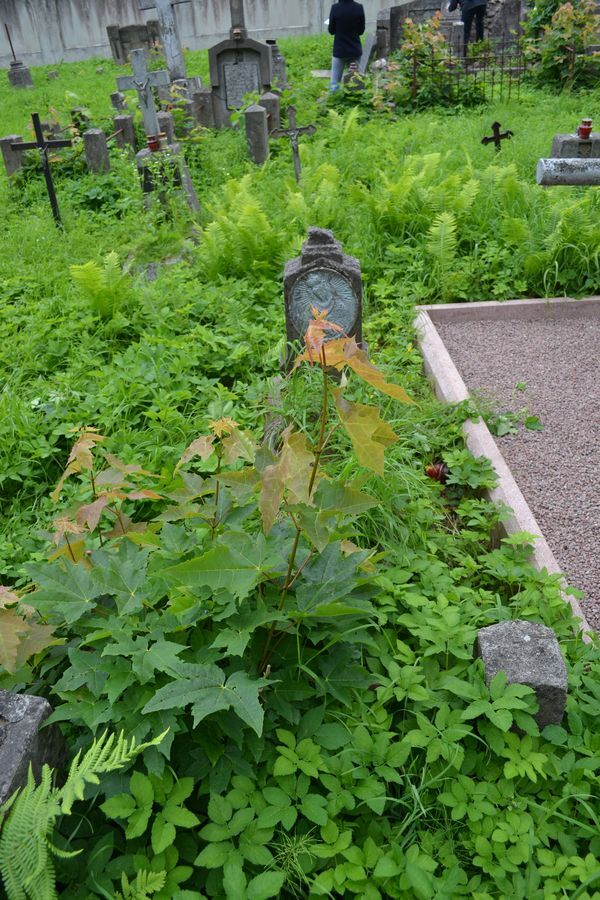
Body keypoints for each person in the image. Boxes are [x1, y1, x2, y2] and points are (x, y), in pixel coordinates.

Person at [328, 0, 366, 92]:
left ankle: (334, 102)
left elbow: (331, 31)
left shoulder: (335, 8)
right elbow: (361, 31)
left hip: (340, 51)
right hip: (355, 51)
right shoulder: (359, 7)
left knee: (335, 83)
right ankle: (355, 102)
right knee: (356, 81)